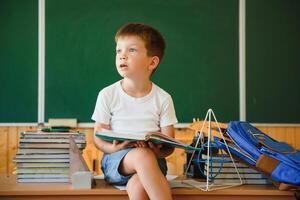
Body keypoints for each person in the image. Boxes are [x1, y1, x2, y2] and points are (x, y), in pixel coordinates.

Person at [92, 23, 177, 200]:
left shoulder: (163, 98)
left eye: (131, 50)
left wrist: (158, 150)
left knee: (138, 187)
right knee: (142, 155)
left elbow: (169, 145)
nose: (122, 56)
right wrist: (112, 147)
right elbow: (98, 136)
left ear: (152, 62)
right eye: (118, 51)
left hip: (154, 164)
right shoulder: (107, 94)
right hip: (116, 161)